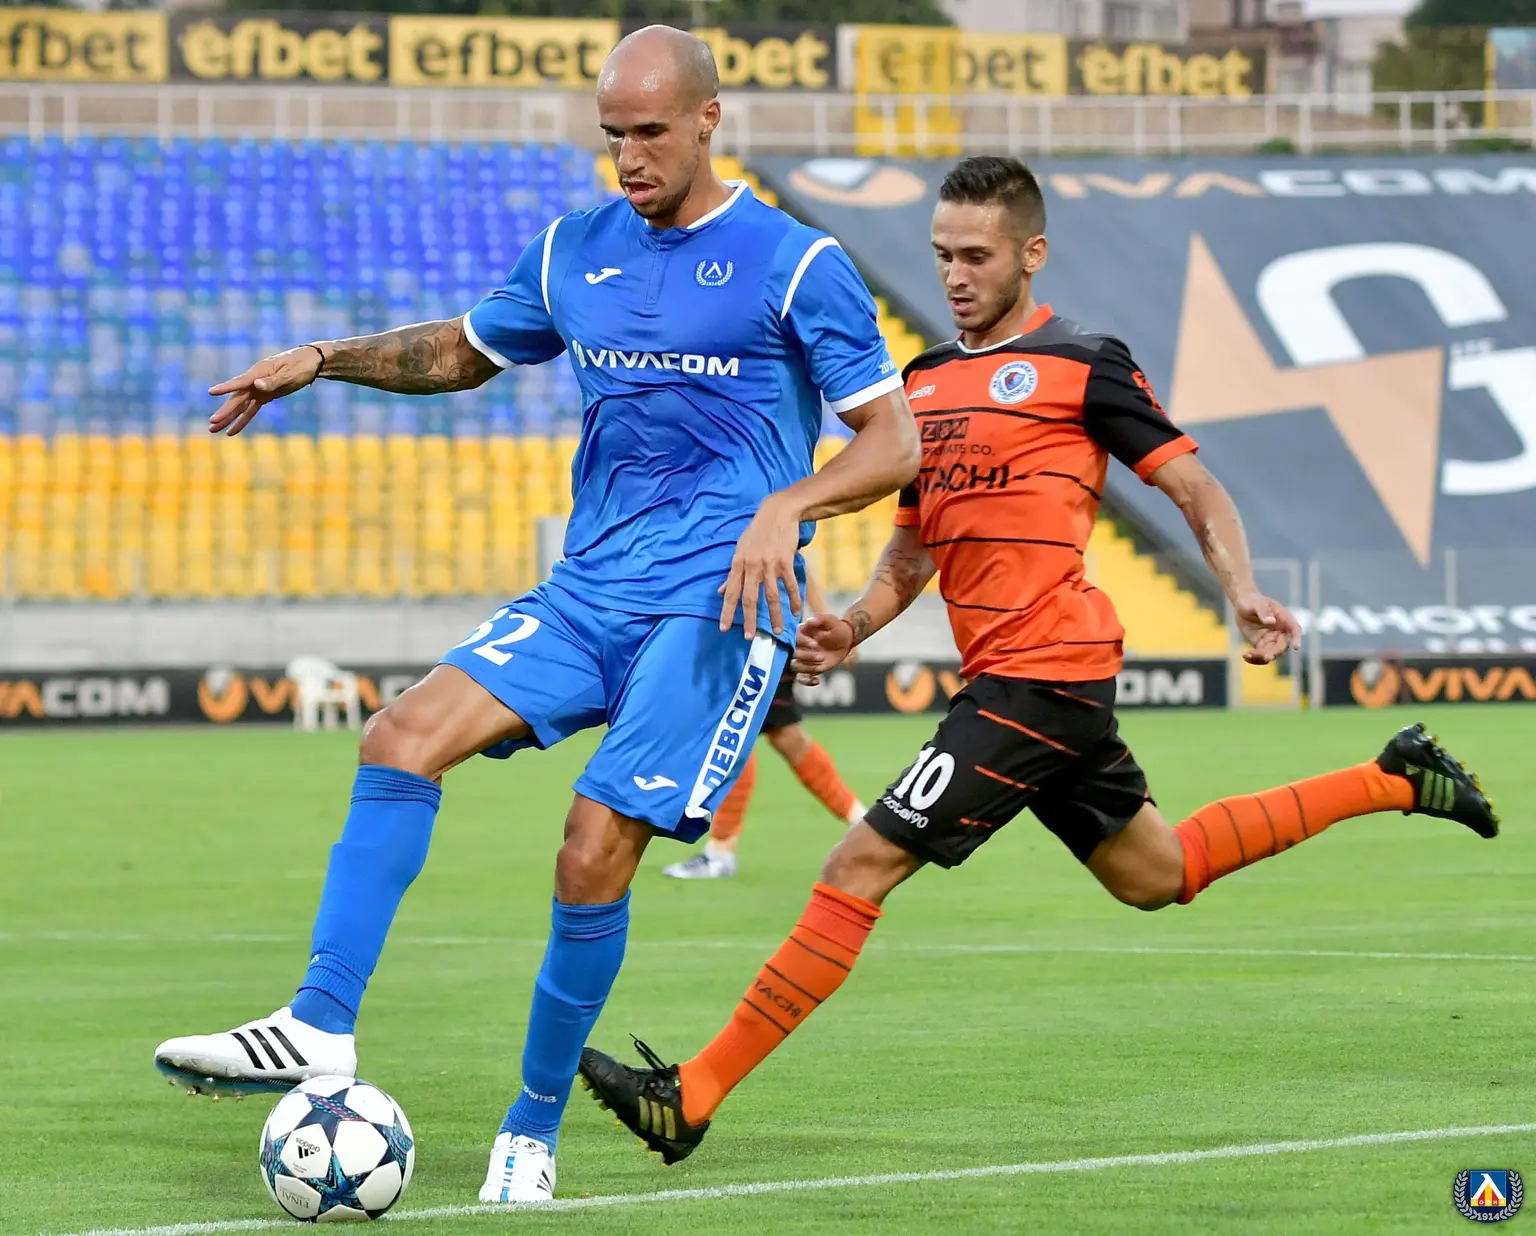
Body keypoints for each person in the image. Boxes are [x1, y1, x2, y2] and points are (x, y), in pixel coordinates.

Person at [576, 155, 1500, 1165]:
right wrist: (856, 625)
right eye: (942, 255)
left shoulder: (1085, 364)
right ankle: (1395, 778)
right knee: (1157, 873)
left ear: (1032, 254)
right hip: (1017, 682)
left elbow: (1194, 487)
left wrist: (1239, 588)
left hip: (1044, 673)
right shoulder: (921, 384)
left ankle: (693, 1095)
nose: (955, 274)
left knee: (858, 865)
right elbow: (912, 552)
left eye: (976, 255)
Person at [151, 26, 918, 1205]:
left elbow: (895, 442)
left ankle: (533, 1123)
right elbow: (465, 352)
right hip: (589, 589)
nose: (629, 156)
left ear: (709, 120)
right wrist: (322, 357)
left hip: (718, 606)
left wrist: (790, 504)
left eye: (650, 132)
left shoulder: (796, 262)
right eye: (612, 134)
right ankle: (318, 1025)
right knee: (400, 736)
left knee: (591, 847)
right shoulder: (573, 250)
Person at [664, 563, 865, 880]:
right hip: (764, 627)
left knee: (738, 729)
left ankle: (721, 851)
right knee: (786, 736)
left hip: (752, 630)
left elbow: (795, 560)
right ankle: (864, 823)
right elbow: (798, 560)